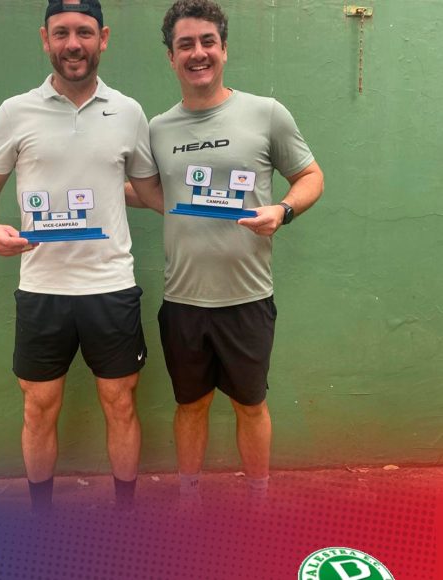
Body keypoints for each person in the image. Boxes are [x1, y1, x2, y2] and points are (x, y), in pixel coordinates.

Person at [0, 0, 161, 514]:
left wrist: (218, 208)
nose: (73, 44)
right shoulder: (15, 112)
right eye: (61, 33)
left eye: (84, 32)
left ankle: (125, 516)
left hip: (110, 286)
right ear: (45, 39)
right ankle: (41, 519)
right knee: (38, 407)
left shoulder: (128, 112)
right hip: (42, 290)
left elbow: (149, 192)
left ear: (103, 38)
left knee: (121, 404)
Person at [135, 0, 324, 507]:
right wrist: (85, 191)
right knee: (190, 405)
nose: (197, 53)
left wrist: (282, 210)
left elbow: (310, 176)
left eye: (207, 42)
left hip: (248, 299)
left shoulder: (266, 114)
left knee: (251, 405)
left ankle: (259, 502)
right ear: (170, 56)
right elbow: (148, 191)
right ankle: (189, 501)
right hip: (183, 301)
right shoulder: (157, 128)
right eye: (185, 44)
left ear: (224, 49)